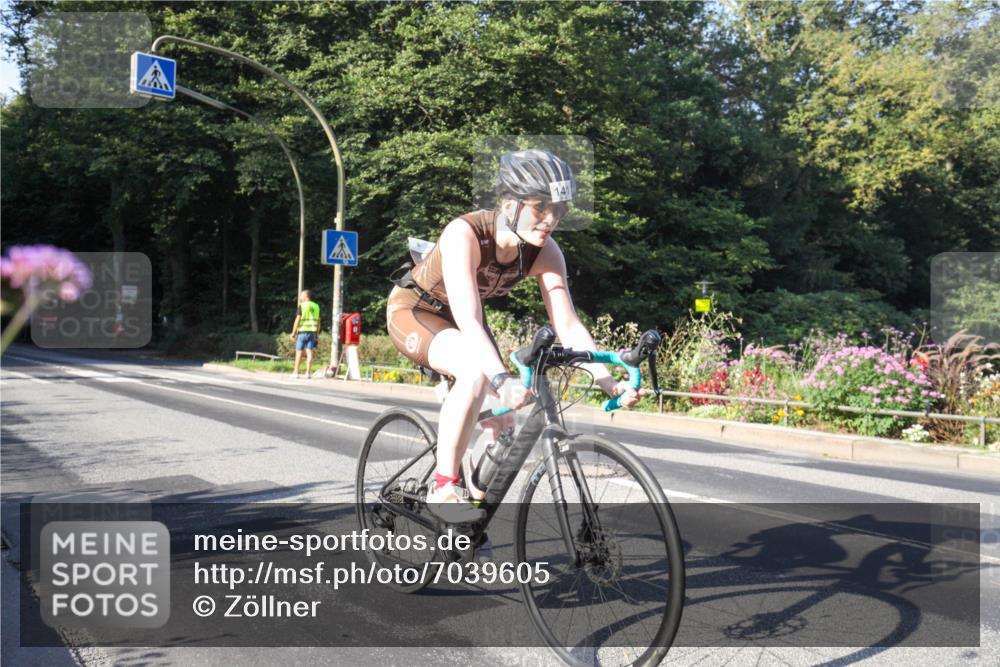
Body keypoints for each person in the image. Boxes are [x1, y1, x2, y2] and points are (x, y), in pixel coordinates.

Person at [386, 149, 643, 523]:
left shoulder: (546, 252)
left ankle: (467, 519)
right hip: (417, 311)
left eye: (561, 209)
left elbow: (568, 325)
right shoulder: (465, 233)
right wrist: (502, 378)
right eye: (541, 207)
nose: (552, 219)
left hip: (461, 321)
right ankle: (443, 485)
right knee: (475, 373)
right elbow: (470, 318)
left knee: (502, 424)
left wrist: (609, 383)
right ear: (509, 203)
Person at [290, 289, 321, 379]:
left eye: (301, 295)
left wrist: (293, 332)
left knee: (299, 352)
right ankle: (308, 373)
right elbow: (319, 322)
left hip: (302, 332)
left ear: (306, 296)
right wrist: (317, 334)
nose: (300, 297)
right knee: (309, 352)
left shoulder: (302, 306)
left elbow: (297, 319)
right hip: (312, 333)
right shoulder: (316, 306)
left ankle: (296, 373)